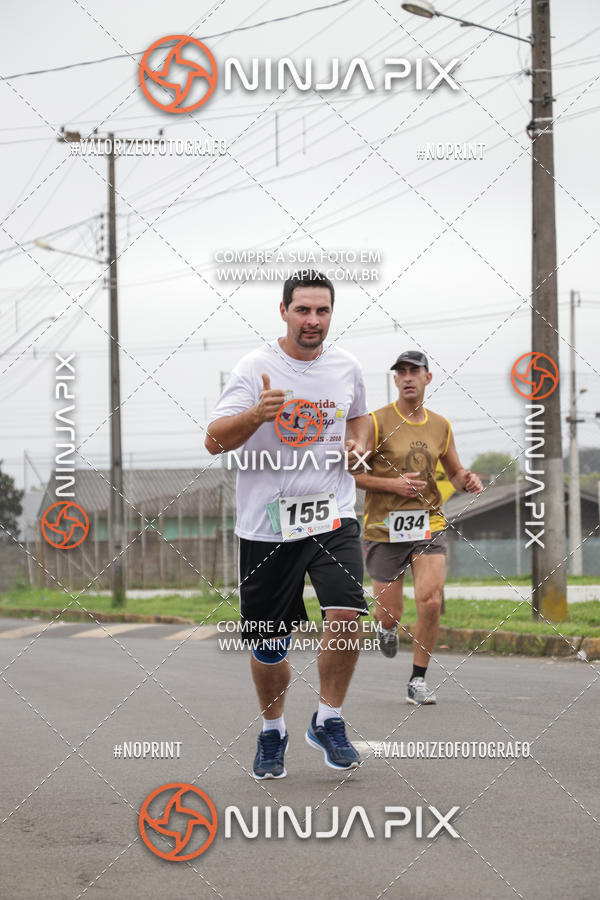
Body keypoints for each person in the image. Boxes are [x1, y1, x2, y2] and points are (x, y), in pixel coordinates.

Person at [205, 270, 370, 778]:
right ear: (283, 311)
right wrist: (257, 415)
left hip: (332, 514)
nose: (313, 320)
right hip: (267, 527)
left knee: (345, 612)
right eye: (303, 310)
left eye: (322, 311)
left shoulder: (347, 367)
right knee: (269, 643)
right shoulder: (255, 367)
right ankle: (272, 730)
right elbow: (214, 440)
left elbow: (359, 417)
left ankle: (329, 718)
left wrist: (359, 445)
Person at [354, 350, 482, 705]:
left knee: (430, 600)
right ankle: (387, 628)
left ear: (428, 378)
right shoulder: (375, 422)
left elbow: (454, 473)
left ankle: (418, 680)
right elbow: (356, 476)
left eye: (415, 371)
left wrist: (466, 479)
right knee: (389, 612)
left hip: (429, 524)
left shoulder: (441, 425)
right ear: (395, 380)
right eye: (402, 372)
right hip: (384, 529)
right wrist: (393, 486)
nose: (408, 377)